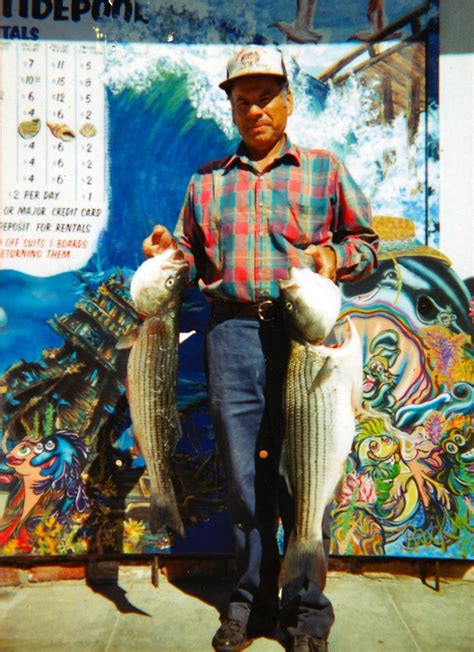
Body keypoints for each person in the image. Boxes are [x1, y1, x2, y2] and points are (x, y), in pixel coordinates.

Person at [143, 45, 379, 652]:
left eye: (267, 95)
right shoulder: (205, 181)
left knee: (309, 475)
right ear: (231, 107)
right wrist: (169, 249)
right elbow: (190, 259)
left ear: (288, 102)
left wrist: (334, 257)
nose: (256, 108)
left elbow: (369, 246)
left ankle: (306, 615)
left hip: (310, 339)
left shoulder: (324, 169)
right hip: (233, 336)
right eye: (243, 98)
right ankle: (248, 605)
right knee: (244, 482)